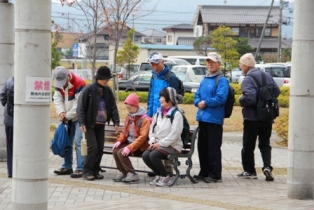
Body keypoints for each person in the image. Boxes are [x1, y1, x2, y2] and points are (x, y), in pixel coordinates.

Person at [238, 53, 280, 181]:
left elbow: (249, 97)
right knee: (265, 144)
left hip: (252, 117)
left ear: (245, 65)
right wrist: (266, 100)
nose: (240, 67)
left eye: (241, 64)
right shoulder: (266, 75)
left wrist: (241, 100)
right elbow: (277, 90)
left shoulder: (248, 79)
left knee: (248, 145)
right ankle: (267, 166)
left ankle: (250, 171)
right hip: (267, 116)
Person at [77, 66, 120, 181]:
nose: (107, 81)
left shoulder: (108, 91)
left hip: (101, 124)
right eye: (106, 78)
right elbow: (81, 107)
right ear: (100, 78)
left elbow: (113, 107)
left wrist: (116, 121)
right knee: (93, 147)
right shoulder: (89, 89)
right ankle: (87, 171)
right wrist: (82, 122)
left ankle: (96, 170)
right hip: (90, 124)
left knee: (100, 148)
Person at [193, 52, 229, 183]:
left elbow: (221, 98)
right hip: (202, 118)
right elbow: (196, 95)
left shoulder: (222, 80)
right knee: (202, 147)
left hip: (214, 119)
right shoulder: (204, 79)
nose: (210, 64)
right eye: (208, 62)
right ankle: (204, 172)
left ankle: (215, 174)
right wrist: (198, 102)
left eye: (213, 62)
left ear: (219, 64)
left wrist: (205, 102)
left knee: (213, 148)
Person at [147, 52, 181, 174]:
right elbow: (150, 96)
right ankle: (158, 168)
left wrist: (171, 113)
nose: (155, 67)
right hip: (156, 114)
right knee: (156, 137)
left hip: (168, 113)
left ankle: (167, 169)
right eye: (152, 64)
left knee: (166, 137)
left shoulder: (170, 77)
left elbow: (174, 97)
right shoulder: (153, 76)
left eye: (156, 64)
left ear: (162, 62)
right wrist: (149, 114)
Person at [142, 87, 183, 187]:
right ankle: (159, 174)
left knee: (153, 155)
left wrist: (159, 144)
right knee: (146, 155)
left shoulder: (176, 114)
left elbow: (174, 135)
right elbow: (152, 129)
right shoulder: (158, 113)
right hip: (159, 144)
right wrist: (152, 141)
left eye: (162, 97)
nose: (160, 99)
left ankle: (165, 176)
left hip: (173, 146)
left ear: (169, 98)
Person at [52, 66, 86, 178]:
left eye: (63, 81)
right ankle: (67, 166)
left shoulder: (79, 83)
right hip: (67, 118)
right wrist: (61, 112)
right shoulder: (58, 85)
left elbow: (79, 105)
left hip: (79, 118)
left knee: (78, 141)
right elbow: (57, 99)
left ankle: (81, 168)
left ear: (68, 76)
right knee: (67, 142)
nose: (61, 84)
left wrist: (67, 115)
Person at [112, 93, 150, 183]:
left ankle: (132, 173)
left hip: (140, 146)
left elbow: (142, 137)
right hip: (130, 142)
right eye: (127, 108)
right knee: (115, 151)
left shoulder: (145, 119)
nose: (128, 110)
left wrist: (129, 147)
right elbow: (124, 132)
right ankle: (124, 172)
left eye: (130, 108)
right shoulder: (129, 117)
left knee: (121, 153)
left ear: (136, 106)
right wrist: (119, 141)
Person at [0, 77, 14, 178]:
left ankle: (11, 171)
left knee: (10, 147)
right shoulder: (27, 81)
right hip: (25, 123)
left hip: (9, 119)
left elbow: (2, 97)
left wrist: (8, 106)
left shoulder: (9, 81)